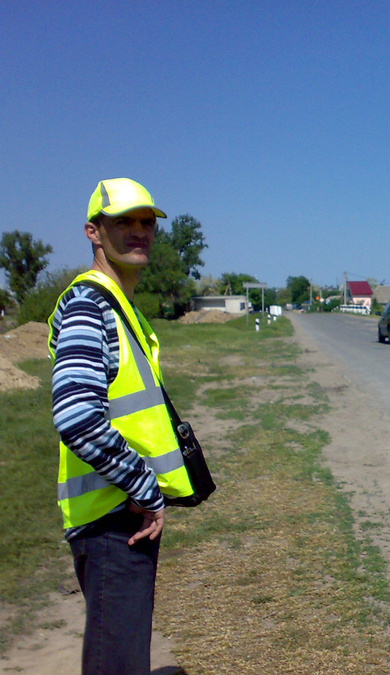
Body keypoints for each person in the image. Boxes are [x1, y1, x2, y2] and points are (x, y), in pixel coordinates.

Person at [49, 178, 195, 673]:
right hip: (112, 520)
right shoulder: (91, 305)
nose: (139, 232)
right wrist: (145, 487)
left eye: (146, 222)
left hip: (120, 516)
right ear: (94, 232)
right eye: (123, 222)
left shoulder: (118, 306)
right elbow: (76, 415)